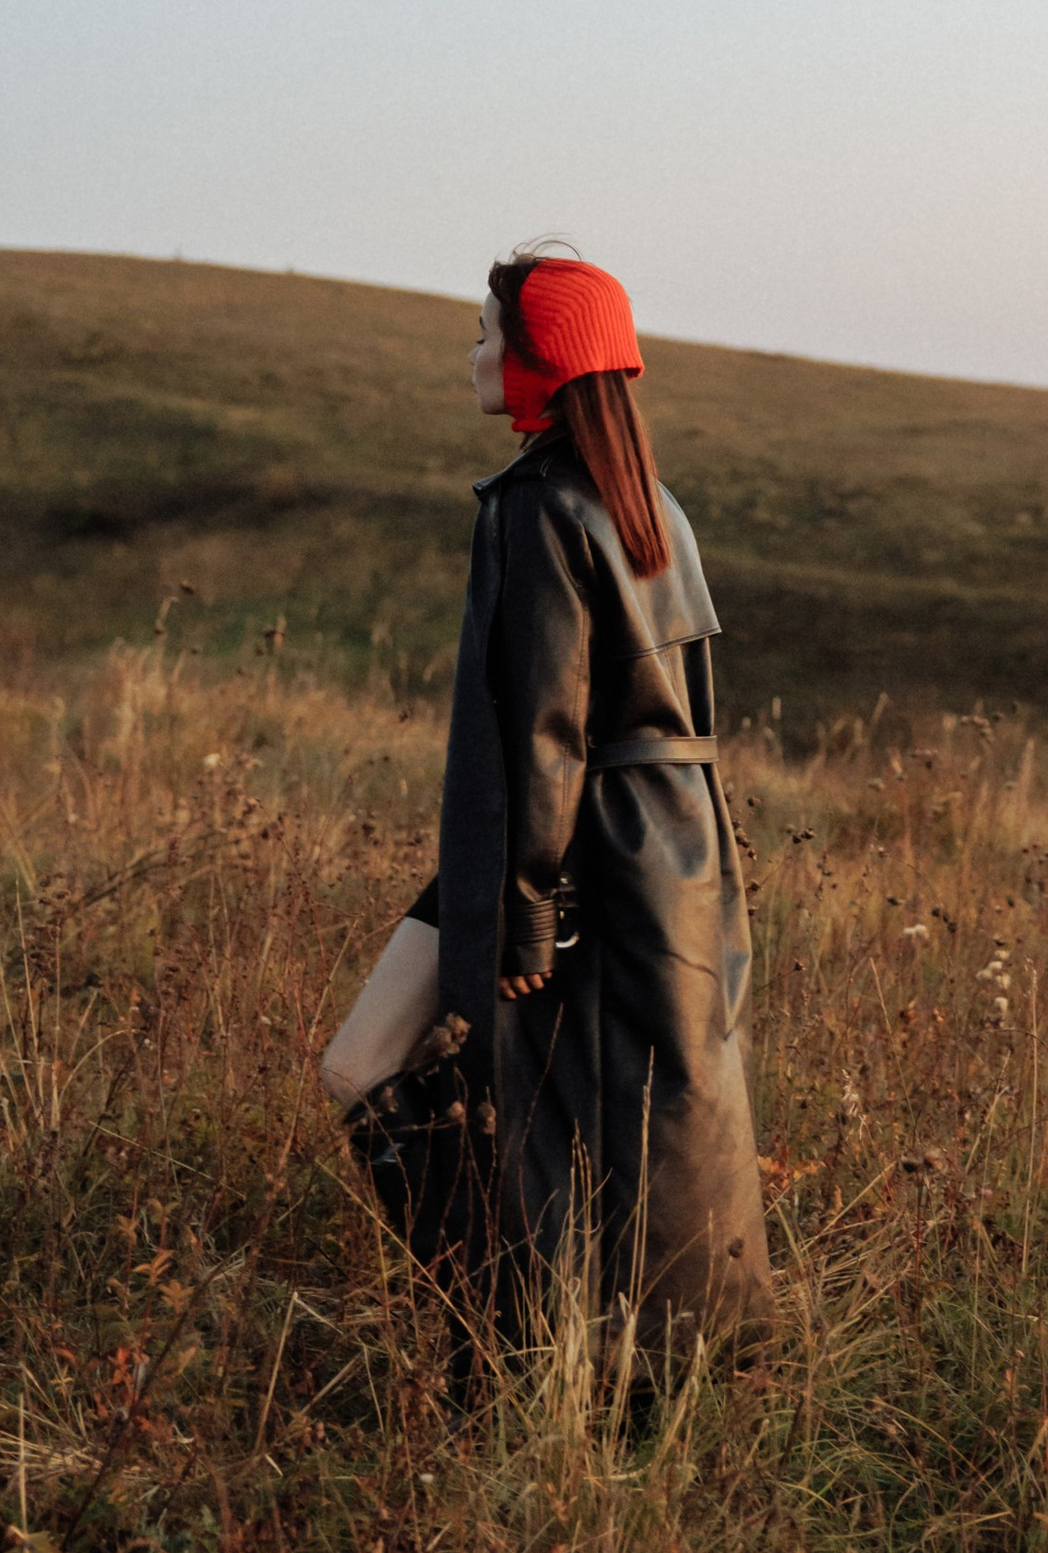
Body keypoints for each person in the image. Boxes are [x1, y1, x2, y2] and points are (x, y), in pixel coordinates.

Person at [320, 251, 772, 1388]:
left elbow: (544, 727)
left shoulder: (534, 506)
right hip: (661, 853)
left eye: (487, 332)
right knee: (402, 1074)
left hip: (565, 856)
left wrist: (527, 910)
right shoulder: (652, 504)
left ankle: (518, 1350)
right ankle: (527, 1340)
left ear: (539, 359)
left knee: (561, 1124)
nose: (472, 353)